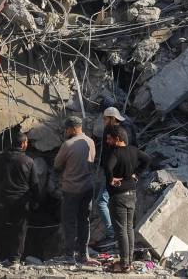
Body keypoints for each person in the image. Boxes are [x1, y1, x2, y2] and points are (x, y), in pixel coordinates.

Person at [0, 132, 40, 266]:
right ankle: (15, 259)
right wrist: (35, 202)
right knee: (20, 231)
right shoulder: (28, 161)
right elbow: (35, 185)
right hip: (21, 201)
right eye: (26, 142)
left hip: (1, 199)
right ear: (23, 144)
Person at [53, 115, 99, 266]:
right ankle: (84, 254)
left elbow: (57, 165)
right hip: (87, 187)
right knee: (84, 221)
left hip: (71, 189)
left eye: (67, 129)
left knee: (69, 222)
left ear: (73, 129)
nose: (66, 131)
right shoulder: (91, 142)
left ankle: (69, 255)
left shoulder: (68, 144)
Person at [104, 126, 150, 273]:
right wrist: (137, 174)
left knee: (121, 230)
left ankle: (124, 264)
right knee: (129, 228)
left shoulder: (115, 152)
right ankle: (129, 260)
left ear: (118, 139)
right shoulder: (134, 150)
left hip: (118, 196)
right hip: (132, 193)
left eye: (109, 138)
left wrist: (111, 179)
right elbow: (147, 159)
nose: (107, 141)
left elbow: (107, 167)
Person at [95, 106, 137, 249]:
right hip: (128, 175)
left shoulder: (112, 131)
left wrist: (110, 176)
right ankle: (123, 244)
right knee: (126, 216)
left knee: (101, 202)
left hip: (116, 173)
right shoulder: (129, 128)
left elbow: (109, 158)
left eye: (105, 119)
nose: (103, 121)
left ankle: (112, 234)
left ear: (112, 119)